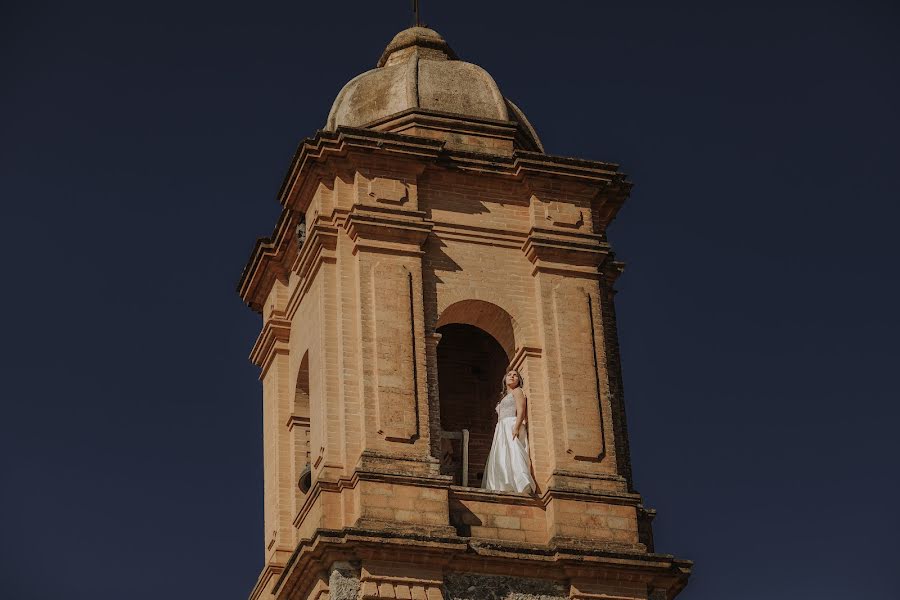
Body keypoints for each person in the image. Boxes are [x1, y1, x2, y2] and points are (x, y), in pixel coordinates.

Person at [481, 370, 535, 494]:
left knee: (513, 451)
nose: (512, 376)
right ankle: (503, 484)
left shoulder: (517, 391)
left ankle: (520, 483)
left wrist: (516, 427)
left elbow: (521, 410)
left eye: (515, 375)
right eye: (509, 375)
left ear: (519, 380)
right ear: (505, 379)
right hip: (501, 428)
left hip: (511, 424)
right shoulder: (503, 396)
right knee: (502, 455)